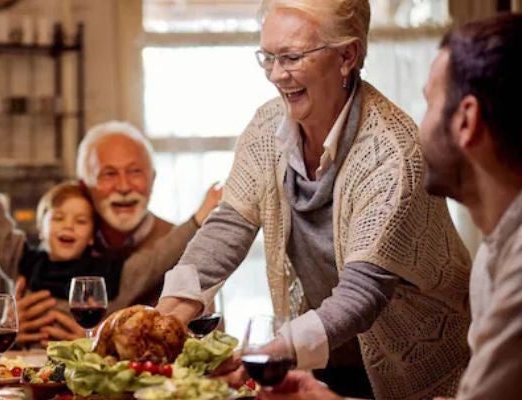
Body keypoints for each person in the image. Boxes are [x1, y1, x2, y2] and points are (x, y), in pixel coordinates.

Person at [155, 0, 471, 399]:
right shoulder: (268, 125)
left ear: (347, 56)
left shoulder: (393, 152)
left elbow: (363, 291)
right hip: (325, 361)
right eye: (267, 57)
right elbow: (230, 223)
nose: (274, 74)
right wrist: (168, 314)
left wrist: (269, 353)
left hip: (415, 372)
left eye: (291, 57)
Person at [259, 12, 522, 400]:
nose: (414, 124)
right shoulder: (494, 256)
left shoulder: (517, 272)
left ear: (466, 121)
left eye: (429, 103)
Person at [0, 118, 222, 344]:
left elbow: (210, 341)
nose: (123, 186)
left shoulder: (186, 248)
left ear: (153, 179)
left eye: (135, 172)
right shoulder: (54, 250)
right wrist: (11, 328)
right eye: (108, 174)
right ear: (84, 185)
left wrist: (102, 344)